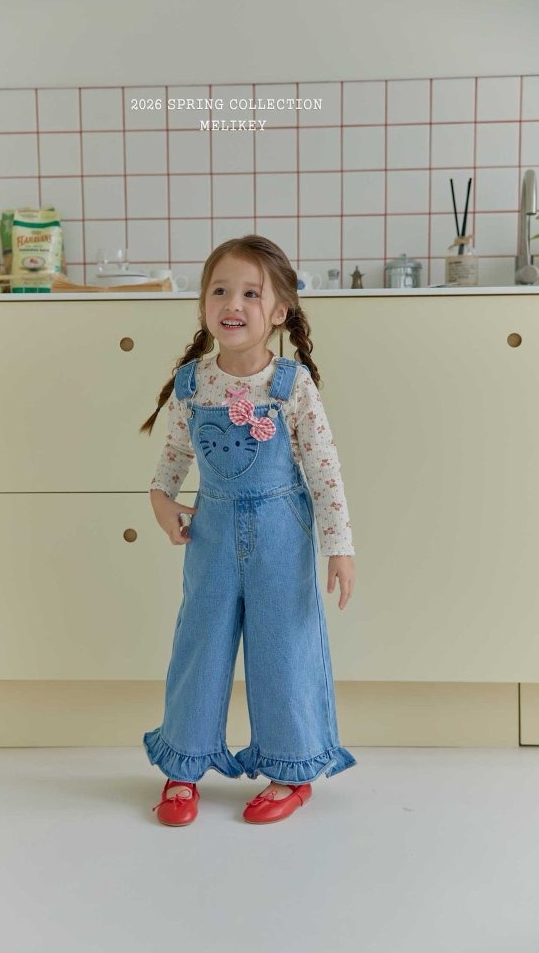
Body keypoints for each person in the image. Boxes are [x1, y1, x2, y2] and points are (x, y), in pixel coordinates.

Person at [139, 234, 357, 827]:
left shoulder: (292, 385)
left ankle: (292, 769)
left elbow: (324, 470)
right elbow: (174, 456)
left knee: (283, 649)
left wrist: (339, 548)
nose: (232, 303)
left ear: (279, 311)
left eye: (251, 294)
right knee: (199, 647)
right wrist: (161, 500)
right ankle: (183, 767)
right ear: (204, 304)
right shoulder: (192, 383)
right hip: (210, 539)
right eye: (220, 290)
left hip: (281, 539)